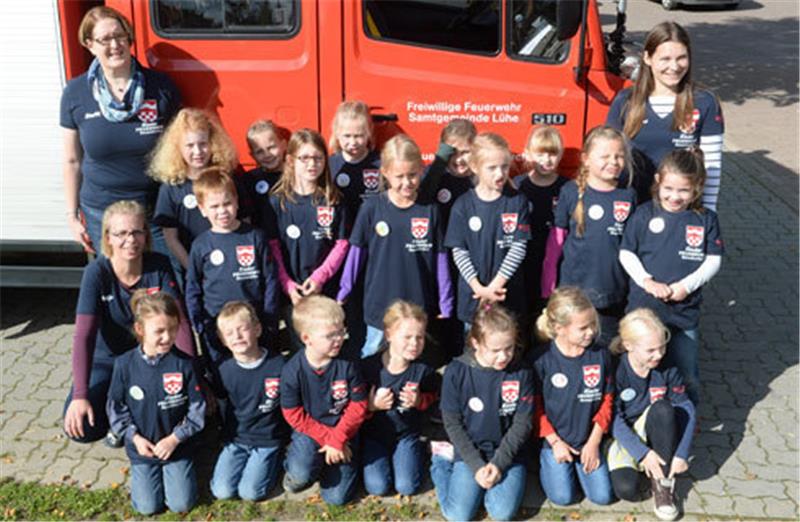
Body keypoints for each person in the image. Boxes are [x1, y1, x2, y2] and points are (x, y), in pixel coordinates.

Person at [62, 200, 194, 445]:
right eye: (121, 233)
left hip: (152, 358)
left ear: (145, 235)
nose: (130, 240)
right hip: (108, 361)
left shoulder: (159, 266)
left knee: (179, 410)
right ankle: (122, 421)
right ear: (108, 238)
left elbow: (181, 323)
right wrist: (80, 395)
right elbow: (84, 336)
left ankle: (131, 425)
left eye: (136, 232)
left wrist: (192, 373)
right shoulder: (97, 273)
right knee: (82, 428)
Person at [61, 6, 181, 254]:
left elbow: (178, 150)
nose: (115, 45)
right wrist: (72, 217)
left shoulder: (160, 87)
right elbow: (72, 160)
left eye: (120, 36)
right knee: (118, 285)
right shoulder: (75, 93)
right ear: (89, 44)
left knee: (167, 285)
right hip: (101, 214)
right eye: (105, 39)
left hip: (155, 209)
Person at [619, 149, 723, 405]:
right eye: (668, 188)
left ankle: (687, 418)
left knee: (687, 373)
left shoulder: (705, 219)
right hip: (645, 311)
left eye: (683, 191)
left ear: (697, 188)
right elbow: (626, 253)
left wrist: (686, 286)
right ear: (657, 181)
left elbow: (714, 260)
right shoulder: (644, 214)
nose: (675, 197)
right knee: (639, 370)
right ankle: (636, 417)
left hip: (683, 314)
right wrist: (647, 281)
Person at [337, 134, 454, 358]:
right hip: (379, 305)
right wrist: (344, 291)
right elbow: (356, 254)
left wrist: (445, 302)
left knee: (414, 358)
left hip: (417, 305)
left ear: (421, 170)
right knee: (372, 354)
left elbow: (441, 260)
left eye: (412, 175)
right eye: (399, 176)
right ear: (385, 173)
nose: (407, 182)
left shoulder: (429, 210)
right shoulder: (372, 208)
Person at [431, 304, 534, 521]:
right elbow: (452, 422)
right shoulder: (456, 371)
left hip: (508, 454)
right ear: (476, 343)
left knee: (502, 513)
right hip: (471, 451)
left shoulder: (522, 371)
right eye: (495, 350)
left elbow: (522, 423)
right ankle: (441, 461)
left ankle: (484, 486)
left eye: (509, 348)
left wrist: (498, 464)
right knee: (458, 516)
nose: (504, 356)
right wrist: (476, 465)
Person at [606, 21, 724, 211]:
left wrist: (707, 213)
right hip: (631, 210)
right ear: (647, 58)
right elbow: (608, 159)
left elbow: (712, 167)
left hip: (680, 211)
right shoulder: (625, 101)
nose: (674, 66)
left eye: (681, 58)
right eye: (665, 59)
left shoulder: (704, 102)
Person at [107, 290, 205, 515]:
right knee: (147, 507)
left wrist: (175, 439)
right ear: (140, 330)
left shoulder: (185, 364)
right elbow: (116, 407)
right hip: (143, 448)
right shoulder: (124, 365)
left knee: (181, 504)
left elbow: (197, 409)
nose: (167, 337)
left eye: (173, 329)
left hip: (176, 447)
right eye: (159, 331)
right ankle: (145, 474)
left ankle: (185, 467)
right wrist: (134, 438)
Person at [541, 126, 636, 346]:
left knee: (605, 349)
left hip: (612, 291)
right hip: (573, 291)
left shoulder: (628, 195)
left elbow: (632, 246)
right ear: (586, 159)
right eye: (605, 156)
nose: (613, 161)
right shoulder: (570, 192)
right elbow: (555, 244)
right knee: (570, 346)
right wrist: (548, 285)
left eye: (619, 156)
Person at [607, 308, 696, 521]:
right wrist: (642, 453)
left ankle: (663, 486)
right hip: (626, 434)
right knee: (626, 490)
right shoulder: (615, 368)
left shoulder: (667, 366)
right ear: (629, 346)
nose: (659, 355)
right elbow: (613, 418)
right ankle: (647, 468)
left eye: (662, 347)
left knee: (664, 409)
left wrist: (682, 453)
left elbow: (687, 407)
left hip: (657, 427)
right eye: (651, 350)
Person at [280, 296, 368, 506]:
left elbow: (359, 405)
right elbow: (293, 414)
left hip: (344, 431)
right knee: (300, 475)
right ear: (306, 338)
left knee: (336, 498)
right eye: (330, 335)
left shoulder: (348, 363)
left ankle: (341, 462)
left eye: (340, 332)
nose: (338, 339)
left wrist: (339, 438)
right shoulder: (292, 370)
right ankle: (296, 464)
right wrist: (330, 439)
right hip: (311, 430)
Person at [532, 287, 614, 506]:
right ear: (560, 329)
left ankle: (595, 454)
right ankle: (546, 460)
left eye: (593, 325)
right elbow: (535, 407)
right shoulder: (541, 360)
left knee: (602, 497)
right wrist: (554, 441)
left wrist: (594, 441)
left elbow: (608, 400)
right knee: (562, 497)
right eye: (583, 328)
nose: (591, 332)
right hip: (556, 441)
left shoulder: (601, 355)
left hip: (589, 438)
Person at [185, 168, 278, 362]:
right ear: (202, 209)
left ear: (236, 202)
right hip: (217, 326)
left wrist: (269, 317)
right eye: (214, 206)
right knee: (223, 374)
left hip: (253, 324)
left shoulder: (255, 236)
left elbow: (270, 279)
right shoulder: (201, 244)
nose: (222, 211)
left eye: (227, 204)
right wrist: (200, 324)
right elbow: (193, 287)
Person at [445, 132, 530, 333]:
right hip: (474, 296)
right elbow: (459, 250)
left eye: (504, 166)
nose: (500, 174)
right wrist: (478, 287)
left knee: (505, 350)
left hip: (506, 295)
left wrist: (494, 287)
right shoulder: (463, 205)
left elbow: (519, 247)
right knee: (474, 349)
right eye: (491, 168)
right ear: (475, 167)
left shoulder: (517, 201)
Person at [209, 301, 289, 501]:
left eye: (242, 329)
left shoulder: (279, 365)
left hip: (268, 439)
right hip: (237, 439)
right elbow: (220, 403)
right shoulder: (222, 370)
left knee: (250, 493)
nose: (237, 337)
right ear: (223, 340)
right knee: (222, 491)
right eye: (229, 333)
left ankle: (277, 460)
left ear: (257, 329)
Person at [149, 108, 239, 284]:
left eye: (203, 143)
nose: (198, 151)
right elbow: (171, 238)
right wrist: (193, 269)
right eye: (190, 146)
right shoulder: (172, 187)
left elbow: (244, 222)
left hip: (230, 267)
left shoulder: (227, 178)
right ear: (178, 149)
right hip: (193, 270)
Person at [360, 301, 437, 496]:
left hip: (406, 435)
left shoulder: (424, 370)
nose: (414, 343)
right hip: (374, 436)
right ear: (389, 335)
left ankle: (418, 451)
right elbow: (352, 406)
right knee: (377, 487)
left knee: (407, 486)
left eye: (420, 338)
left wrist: (419, 401)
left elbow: (433, 399)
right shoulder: (368, 368)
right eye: (407, 337)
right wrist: (370, 406)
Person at [266, 129, 349, 303]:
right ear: (290, 161)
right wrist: (286, 283)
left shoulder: (334, 200)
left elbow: (341, 245)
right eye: (304, 158)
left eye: (318, 158)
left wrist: (320, 277)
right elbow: (272, 248)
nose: (312, 164)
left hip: (325, 290)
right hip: (292, 293)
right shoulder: (276, 202)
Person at [514, 125, 569, 323]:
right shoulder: (518, 185)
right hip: (524, 260)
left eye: (552, 154)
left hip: (556, 262)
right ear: (528, 153)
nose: (546, 160)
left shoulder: (567, 187)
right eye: (540, 154)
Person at [328, 100, 381, 231]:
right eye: (347, 136)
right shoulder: (329, 165)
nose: (353, 142)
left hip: (372, 233)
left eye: (359, 136)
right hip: (339, 238)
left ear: (369, 133)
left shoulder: (381, 163)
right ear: (337, 134)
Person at [241, 120, 287, 230]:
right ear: (252, 155)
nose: (267, 155)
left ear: (284, 145)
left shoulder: (297, 175)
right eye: (259, 151)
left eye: (271, 147)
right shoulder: (249, 180)